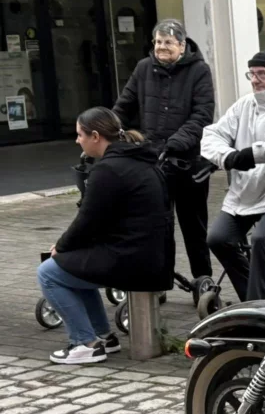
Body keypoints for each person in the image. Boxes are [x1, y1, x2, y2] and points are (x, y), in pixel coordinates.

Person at [40, 108, 174, 365]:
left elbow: (87, 221)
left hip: (133, 260)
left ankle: (85, 343)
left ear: (95, 136)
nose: (77, 141)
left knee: (49, 272)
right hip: (152, 255)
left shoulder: (108, 170)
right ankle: (103, 336)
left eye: (80, 135)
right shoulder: (141, 160)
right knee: (74, 266)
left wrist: (60, 247)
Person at [113, 19, 214, 283]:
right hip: (154, 162)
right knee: (157, 225)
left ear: (182, 45)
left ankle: (203, 280)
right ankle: (159, 280)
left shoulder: (199, 71)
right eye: (158, 42)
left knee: (194, 226)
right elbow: (124, 106)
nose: (161, 47)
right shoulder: (144, 68)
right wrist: (105, 130)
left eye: (168, 42)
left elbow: (202, 114)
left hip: (188, 162)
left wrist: (176, 141)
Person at [202, 51, 265, 303]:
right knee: (218, 239)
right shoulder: (244, 104)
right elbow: (212, 135)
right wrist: (226, 157)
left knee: (261, 239)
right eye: (252, 74)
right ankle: (251, 298)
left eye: (262, 74)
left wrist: (254, 153)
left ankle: (262, 303)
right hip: (244, 192)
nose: (255, 80)